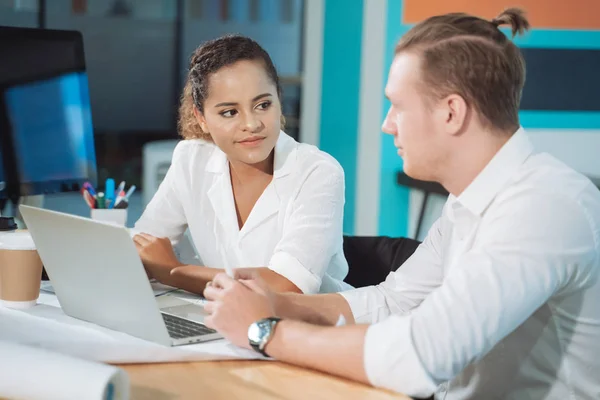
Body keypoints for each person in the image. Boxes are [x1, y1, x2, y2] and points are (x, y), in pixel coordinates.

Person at [200, 8, 600, 399]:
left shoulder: (543, 208)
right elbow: (393, 302)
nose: (387, 123)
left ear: (451, 112)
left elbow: (420, 355)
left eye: (398, 106)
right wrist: (278, 303)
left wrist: (265, 330)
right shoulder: (467, 204)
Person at [133, 35, 351, 295]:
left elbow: (287, 285)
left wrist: (173, 271)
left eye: (263, 105)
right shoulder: (191, 160)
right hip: (223, 322)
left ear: (279, 100)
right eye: (229, 112)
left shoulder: (318, 172)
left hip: (305, 325)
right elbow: (142, 246)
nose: (251, 124)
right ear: (201, 118)